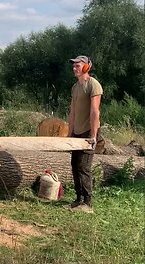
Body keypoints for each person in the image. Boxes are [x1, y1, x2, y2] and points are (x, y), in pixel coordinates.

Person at [66, 55, 103, 213]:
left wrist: (93, 135)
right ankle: (78, 199)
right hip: (77, 132)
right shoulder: (75, 87)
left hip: (89, 131)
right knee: (75, 165)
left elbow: (95, 111)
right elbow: (73, 112)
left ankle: (88, 203)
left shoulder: (93, 85)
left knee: (84, 167)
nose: (75, 68)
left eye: (78, 65)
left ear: (87, 67)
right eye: (73, 65)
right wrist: (69, 134)